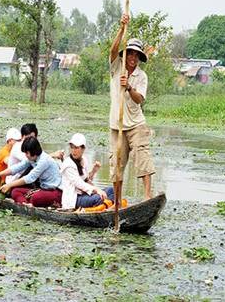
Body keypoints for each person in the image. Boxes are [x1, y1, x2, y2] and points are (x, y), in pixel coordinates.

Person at [109, 14, 156, 204]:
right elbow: (112, 50)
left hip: (136, 124)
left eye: (137, 55)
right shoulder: (116, 67)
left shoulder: (141, 76)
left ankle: (147, 197)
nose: (133, 58)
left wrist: (128, 86)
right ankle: (117, 202)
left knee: (142, 156)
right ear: (125, 54)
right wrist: (122, 28)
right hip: (117, 125)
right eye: (130, 53)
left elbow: (139, 100)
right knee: (116, 164)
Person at [0, 137, 62, 207]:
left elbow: (30, 178)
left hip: (55, 191)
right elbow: (17, 167)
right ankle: (26, 204)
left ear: (33, 151)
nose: (25, 155)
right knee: (15, 191)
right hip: (42, 189)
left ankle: (30, 202)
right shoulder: (32, 158)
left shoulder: (44, 160)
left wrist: (9, 185)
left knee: (36, 198)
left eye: (27, 153)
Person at [60, 133, 114, 210]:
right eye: (72, 147)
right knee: (98, 198)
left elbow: (87, 180)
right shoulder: (68, 164)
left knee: (111, 190)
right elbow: (80, 184)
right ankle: (104, 208)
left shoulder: (84, 160)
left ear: (83, 149)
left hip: (85, 194)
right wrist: (97, 190)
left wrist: (94, 170)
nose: (73, 151)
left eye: (76, 148)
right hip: (74, 199)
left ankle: (108, 209)